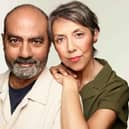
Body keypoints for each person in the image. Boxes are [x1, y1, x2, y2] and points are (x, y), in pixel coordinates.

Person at [49, 1, 129, 129]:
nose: (70, 48)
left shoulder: (117, 88)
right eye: (60, 39)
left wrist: (70, 85)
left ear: (95, 34)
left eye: (78, 35)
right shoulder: (51, 79)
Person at [0, 4, 62, 129]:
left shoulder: (63, 98)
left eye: (36, 42)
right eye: (14, 40)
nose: (25, 53)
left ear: (49, 45)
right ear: (3, 42)